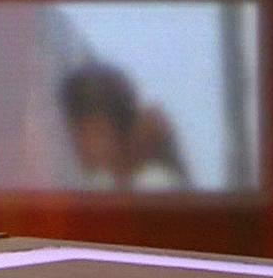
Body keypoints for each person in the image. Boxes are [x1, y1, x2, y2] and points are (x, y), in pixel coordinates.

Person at [59, 62, 189, 192]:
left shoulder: (155, 185)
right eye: (75, 133)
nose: (79, 144)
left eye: (88, 133)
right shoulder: (101, 182)